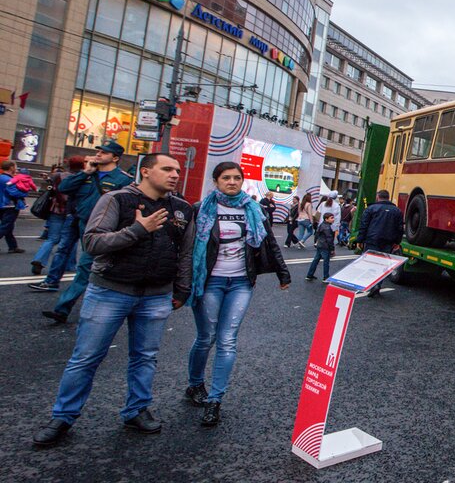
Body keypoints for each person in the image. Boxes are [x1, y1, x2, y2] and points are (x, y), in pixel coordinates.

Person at [32, 153, 194, 447]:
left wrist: (182, 289)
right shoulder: (117, 199)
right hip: (111, 291)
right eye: (167, 169)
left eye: (177, 170)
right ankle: (63, 417)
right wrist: (138, 230)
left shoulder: (181, 208)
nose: (175, 174)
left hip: (156, 295)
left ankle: (136, 410)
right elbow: (92, 242)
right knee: (87, 357)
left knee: (145, 357)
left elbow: (185, 253)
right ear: (146, 171)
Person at [185, 162, 290, 426]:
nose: (232, 182)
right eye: (226, 178)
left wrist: (283, 273)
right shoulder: (201, 209)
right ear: (216, 181)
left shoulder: (253, 209)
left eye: (236, 178)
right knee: (206, 337)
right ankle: (195, 384)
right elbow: (186, 249)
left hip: (241, 282)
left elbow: (269, 242)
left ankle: (215, 400)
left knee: (227, 340)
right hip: (209, 281)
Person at [40, 141, 133, 323]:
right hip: (81, 224)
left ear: (115, 158)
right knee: (91, 265)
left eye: (104, 152)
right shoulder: (87, 175)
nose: (98, 154)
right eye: (98, 151)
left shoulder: (123, 180)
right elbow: (64, 188)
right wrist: (85, 172)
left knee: (85, 266)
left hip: (103, 229)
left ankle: (63, 308)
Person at [30, 158, 82, 276]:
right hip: (72, 211)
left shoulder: (58, 176)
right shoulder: (81, 178)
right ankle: (70, 265)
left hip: (56, 210)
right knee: (71, 239)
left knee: (52, 238)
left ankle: (39, 259)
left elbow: (51, 186)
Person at [0, 160, 31, 253]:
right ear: (11, 168)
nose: (16, 169)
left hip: (2, 204)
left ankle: (13, 246)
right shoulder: (10, 180)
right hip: (10, 205)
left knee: (9, 227)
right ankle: (13, 247)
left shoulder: (1, 177)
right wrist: (24, 193)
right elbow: (15, 193)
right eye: (15, 167)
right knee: (6, 226)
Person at [306, 212, 335, 281]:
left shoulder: (322, 225)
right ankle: (326, 277)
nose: (333, 219)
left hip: (320, 245)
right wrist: (332, 249)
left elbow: (316, 234)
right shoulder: (327, 228)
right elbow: (329, 239)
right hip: (325, 246)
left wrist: (315, 242)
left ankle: (309, 275)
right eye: (331, 218)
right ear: (326, 219)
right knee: (326, 262)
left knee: (315, 261)